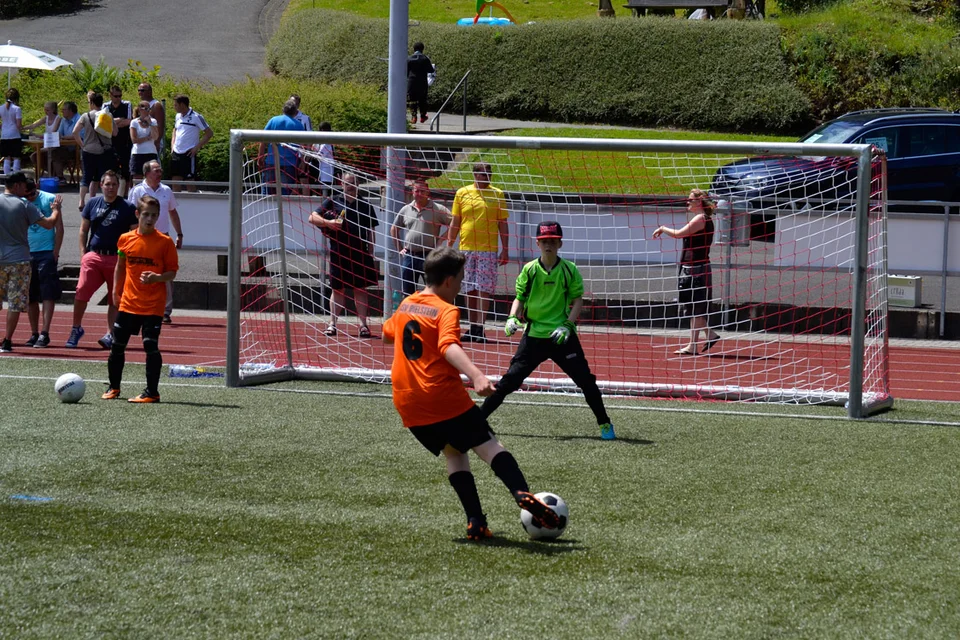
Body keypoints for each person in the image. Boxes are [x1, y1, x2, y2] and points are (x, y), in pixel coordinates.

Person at [382, 245, 561, 540]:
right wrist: (476, 375)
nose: (462, 285)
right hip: (440, 395)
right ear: (449, 280)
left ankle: (476, 522)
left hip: (406, 402)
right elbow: (447, 346)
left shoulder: (405, 305)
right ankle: (521, 494)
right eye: (462, 279)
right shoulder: (447, 310)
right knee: (489, 444)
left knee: (454, 451)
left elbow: (390, 335)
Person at [481, 221, 616, 441]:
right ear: (538, 243)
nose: (548, 245)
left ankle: (605, 424)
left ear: (560, 243)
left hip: (562, 337)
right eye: (544, 241)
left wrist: (568, 325)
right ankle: (478, 420)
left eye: (553, 241)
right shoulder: (530, 269)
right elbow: (520, 298)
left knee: (586, 382)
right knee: (509, 381)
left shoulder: (569, 269)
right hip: (534, 336)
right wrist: (512, 317)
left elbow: (577, 300)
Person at [102, 194, 178, 403]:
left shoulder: (165, 242)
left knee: (150, 346)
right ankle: (114, 387)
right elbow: (120, 266)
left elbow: (172, 273)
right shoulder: (125, 239)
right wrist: (115, 292)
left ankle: (152, 392)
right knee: (117, 345)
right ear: (137, 214)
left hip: (153, 305)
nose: (150, 219)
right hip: (128, 302)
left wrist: (157, 277)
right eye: (146, 214)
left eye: (154, 215)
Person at [67, 170, 139, 349]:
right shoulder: (92, 203)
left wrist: (128, 259)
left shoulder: (128, 207)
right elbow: (84, 230)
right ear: (101, 185)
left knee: (115, 298)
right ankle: (76, 328)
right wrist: (84, 254)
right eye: (107, 184)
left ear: (118, 186)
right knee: (81, 291)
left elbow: (134, 235)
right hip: (94, 255)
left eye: (114, 184)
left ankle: (110, 334)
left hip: (117, 258)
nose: (111, 188)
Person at [307, 173, 378, 338]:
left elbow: (371, 231)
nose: (350, 186)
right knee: (337, 289)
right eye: (347, 183)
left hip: (360, 252)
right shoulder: (333, 201)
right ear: (341, 184)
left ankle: (363, 325)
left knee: (360, 289)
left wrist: (371, 252)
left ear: (358, 184)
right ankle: (332, 324)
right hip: (338, 251)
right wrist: (329, 223)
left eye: (353, 183)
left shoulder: (365, 205)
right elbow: (312, 217)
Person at [652, 188, 722, 355]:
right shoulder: (702, 218)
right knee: (692, 307)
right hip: (693, 267)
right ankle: (708, 335)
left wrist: (663, 228)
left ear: (699, 202)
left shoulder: (700, 219)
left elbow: (679, 234)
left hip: (696, 268)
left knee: (696, 307)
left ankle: (693, 345)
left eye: (690, 200)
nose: (687, 202)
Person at [446, 162, 509, 343]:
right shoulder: (462, 193)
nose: (487, 177)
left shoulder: (497, 194)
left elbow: (502, 223)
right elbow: (455, 221)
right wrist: (449, 246)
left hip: (488, 250)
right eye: (483, 174)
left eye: (489, 174)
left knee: (484, 288)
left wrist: (505, 248)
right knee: (468, 289)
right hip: (466, 249)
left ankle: (481, 327)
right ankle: (472, 326)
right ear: (475, 175)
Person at [0, 172, 61, 353]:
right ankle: (7, 340)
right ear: (18, 185)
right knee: (15, 302)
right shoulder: (24, 205)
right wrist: (56, 209)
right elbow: (49, 224)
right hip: (19, 260)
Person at [128, 160, 183, 324]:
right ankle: (138, 306)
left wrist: (179, 234)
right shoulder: (137, 191)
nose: (159, 173)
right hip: (142, 238)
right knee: (140, 272)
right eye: (156, 171)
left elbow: (173, 213)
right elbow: (131, 215)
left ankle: (165, 311)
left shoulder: (166, 190)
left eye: (160, 170)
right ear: (146, 173)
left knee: (166, 274)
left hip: (163, 238)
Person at [391, 179, 452, 296]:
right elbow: (394, 228)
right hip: (409, 256)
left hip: (429, 256)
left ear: (427, 192)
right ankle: (410, 314)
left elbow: (455, 224)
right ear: (412, 192)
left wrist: (441, 239)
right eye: (416, 191)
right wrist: (399, 248)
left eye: (422, 191)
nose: (419, 194)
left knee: (432, 292)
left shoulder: (438, 209)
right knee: (408, 293)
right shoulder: (406, 209)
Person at [23, 178, 64, 348]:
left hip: (46, 252)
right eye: (27, 195)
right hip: (27, 253)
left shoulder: (49, 199)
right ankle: (34, 332)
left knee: (47, 293)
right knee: (31, 296)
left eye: (33, 194)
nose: (31, 197)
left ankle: (45, 332)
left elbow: (59, 227)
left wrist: (56, 251)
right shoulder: (21, 201)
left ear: (37, 187)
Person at [74, 91, 117, 211]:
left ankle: (82, 200)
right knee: (104, 176)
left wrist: (82, 144)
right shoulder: (108, 115)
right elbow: (115, 133)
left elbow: (75, 132)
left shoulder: (85, 116)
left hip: (88, 150)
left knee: (87, 176)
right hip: (104, 150)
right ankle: (104, 199)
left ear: (92, 103)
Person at [258, 98, 305, 195]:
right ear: (295, 112)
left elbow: (262, 140)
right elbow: (303, 146)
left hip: (271, 162)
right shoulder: (298, 125)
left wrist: (260, 156)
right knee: (284, 195)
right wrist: (303, 162)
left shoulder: (273, 120)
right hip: (289, 164)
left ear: (283, 110)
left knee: (266, 193)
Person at [169, 94, 212, 193]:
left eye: (175, 105)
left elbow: (209, 133)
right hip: (176, 153)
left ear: (182, 105)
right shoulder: (178, 116)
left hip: (188, 153)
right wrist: (172, 146)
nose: (174, 107)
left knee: (190, 183)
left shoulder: (196, 117)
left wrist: (196, 147)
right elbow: (175, 130)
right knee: (175, 182)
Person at [102, 86, 133, 197]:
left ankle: (125, 195)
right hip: (110, 142)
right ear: (110, 95)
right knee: (110, 169)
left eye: (120, 96)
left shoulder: (127, 104)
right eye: (116, 96)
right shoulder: (105, 106)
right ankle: (111, 193)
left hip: (125, 142)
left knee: (126, 170)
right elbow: (103, 124)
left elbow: (129, 121)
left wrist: (112, 122)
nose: (118, 98)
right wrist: (119, 120)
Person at [21, 100, 60, 171]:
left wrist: (37, 135)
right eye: (45, 110)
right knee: (34, 156)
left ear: (53, 110)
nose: (45, 112)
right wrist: (23, 128)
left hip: (54, 144)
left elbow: (52, 132)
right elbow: (34, 125)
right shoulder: (46, 118)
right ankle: (50, 170)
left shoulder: (58, 119)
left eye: (47, 110)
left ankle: (51, 171)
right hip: (47, 143)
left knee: (35, 155)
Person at [129, 100, 159, 181]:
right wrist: (147, 138)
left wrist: (150, 123)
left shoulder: (153, 121)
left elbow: (155, 137)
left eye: (149, 109)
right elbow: (134, 140)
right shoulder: (134, 122)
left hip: (151, 152)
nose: (148, 111)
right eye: (145, 108)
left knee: (152, 177)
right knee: (137, 178)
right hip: (138, 153)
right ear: (140, 109)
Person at [51, 101, 80, 183]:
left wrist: (63, 137)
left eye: (64, 110)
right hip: (64, 147)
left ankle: (60, 178)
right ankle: (52, 177)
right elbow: (59, 134)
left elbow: (78, 136)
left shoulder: (79, 120)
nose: (62, 111)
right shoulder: (64, 120)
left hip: (76, 149)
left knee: (55, 153)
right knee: (38, 155)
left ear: (70, 111)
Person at [407, 42, 434, 124]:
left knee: (412, 100)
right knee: (423, 99)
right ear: (422, 49)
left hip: (411, 82)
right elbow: (431, 70)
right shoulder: (425, 59)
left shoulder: (409, 58)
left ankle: (413, 117)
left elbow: (406, 71)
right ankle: (423, 116)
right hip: (422, 82)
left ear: (414, 49)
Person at [136, 83, 165, 158]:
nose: (140, 92)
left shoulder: (156, 105)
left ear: (150, 92)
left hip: (153, 143)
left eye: (142, 90)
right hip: (142, 143)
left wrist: (157, 142)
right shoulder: (141, 105)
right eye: (139, 90)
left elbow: (160, 126)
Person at [1, 88, 23, 176]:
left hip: (4, 135)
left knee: (7, 158)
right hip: (14, 135)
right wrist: (23, 128)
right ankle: (16, 176)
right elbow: (18, 125)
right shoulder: (17, 109)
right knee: (16, 157)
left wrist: (2, 126)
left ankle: (7, 178)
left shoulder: (1, 108)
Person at [317, 121, 335, 198]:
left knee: (325, 191)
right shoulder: (329, 142)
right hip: (327, 171)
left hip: (326, 172)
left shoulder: (325, 144)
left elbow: (319, 155)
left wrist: (308, 152)